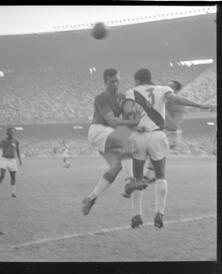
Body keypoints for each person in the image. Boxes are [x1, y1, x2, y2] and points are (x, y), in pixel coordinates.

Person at [122, 68, 215, 229]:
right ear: (150, 78)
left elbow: (127, 111)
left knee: (138, 179)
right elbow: (178, 99)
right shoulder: (162, 89)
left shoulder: (131, 92)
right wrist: (200, 105)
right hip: (157, 136)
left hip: (140, 137)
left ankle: (136, 216)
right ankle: (160, 213)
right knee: (160, 175)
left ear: (137, 80)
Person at [82, 68, 147, 216]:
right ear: (105, 82)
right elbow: (112, 120)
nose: (115, 83)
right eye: (111, 81)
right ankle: (130, 181)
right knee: (127, 140)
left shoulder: (122, 98)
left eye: (117, 80)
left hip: (109, 135)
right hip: (98, 131)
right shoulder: (101, 98)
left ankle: (91, 198)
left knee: (116, 166)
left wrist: (137, 124)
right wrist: (133, 123)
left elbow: (127, 120)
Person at [143, 80, 185, 183]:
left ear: (176, 90)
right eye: (166, 85)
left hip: (172, 135)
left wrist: (162, 109)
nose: (166, 87)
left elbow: (174, 125)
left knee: (154, 151)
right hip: (163, 133)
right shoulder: (163, 101)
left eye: (170, 86)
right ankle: (151, 176)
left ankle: (153, 175)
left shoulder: (178, 105)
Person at [0, 127, 22, 199]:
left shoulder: (16, 141)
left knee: (13, 177)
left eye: (11, 132)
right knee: (2, 175)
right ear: (7, 133)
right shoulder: (3, 141)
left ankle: (13, 193)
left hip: (12, 160)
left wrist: (20, 160)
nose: (10, 133)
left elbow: (18, 151)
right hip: (4, 159)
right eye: (9, 132)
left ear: (13, 133)